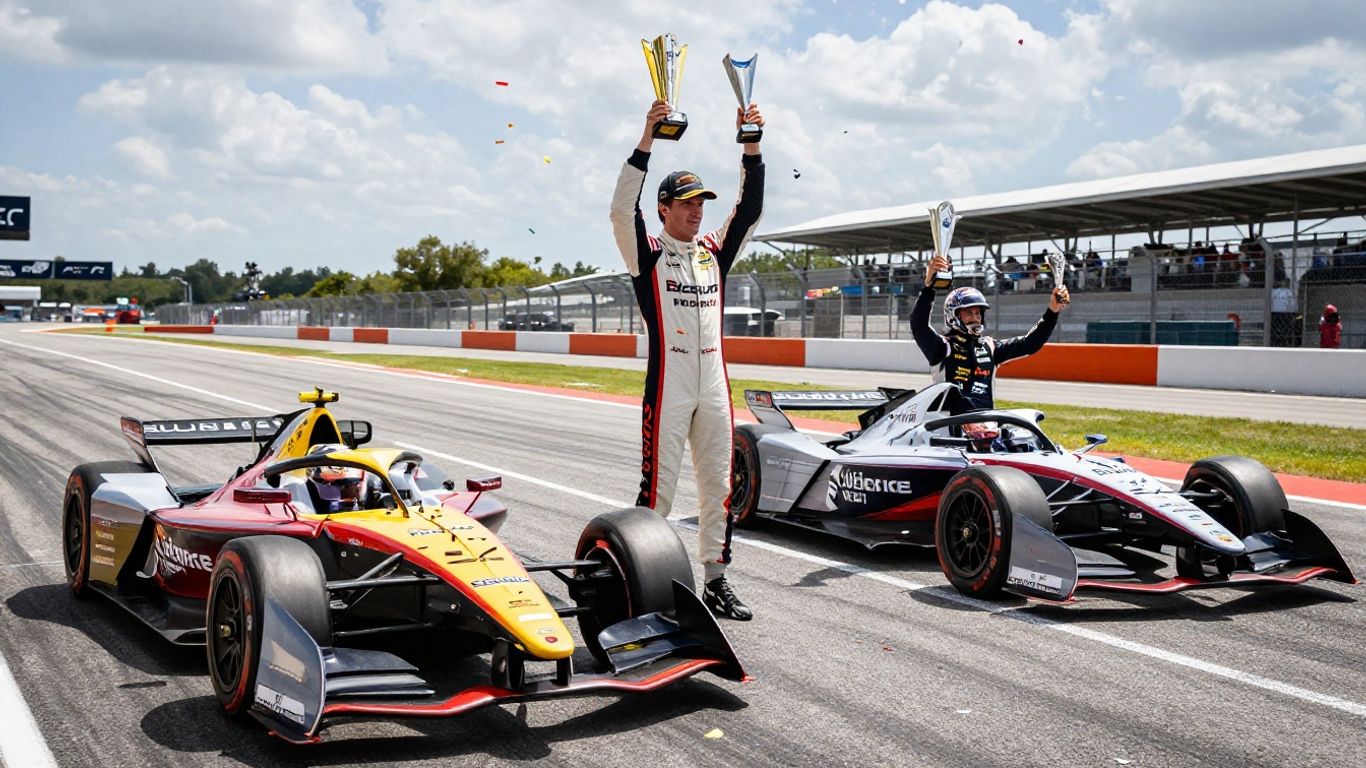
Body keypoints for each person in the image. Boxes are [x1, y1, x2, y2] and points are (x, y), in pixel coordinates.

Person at [609, 98, 765, 620]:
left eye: (701, 203)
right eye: (687, 204)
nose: (698, 211)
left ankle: (716, 580)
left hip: (714, 384)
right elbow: (619, 210)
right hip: (669, 381)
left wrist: (751, 145)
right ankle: (640, 578)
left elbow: (749, 210)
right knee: (659, 487)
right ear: (665, 209)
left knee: (720, 486)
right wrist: (646, 138)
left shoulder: (713, 253)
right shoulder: (646, 252)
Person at [911, 253, 1069, 415]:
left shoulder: (990, 346)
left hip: (985, 430)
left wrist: (1052, 311)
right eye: (969, 313)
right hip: (948, 431)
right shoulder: (943, 347)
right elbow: (919, 327)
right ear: (953, 315)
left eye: (978, 313)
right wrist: (929, 287)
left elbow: (1030, 343)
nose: (975, 318)